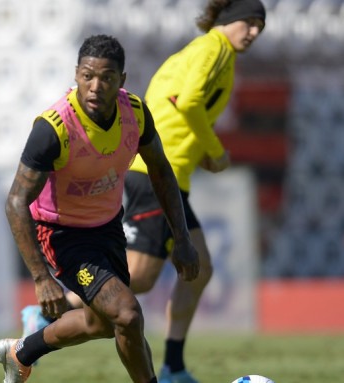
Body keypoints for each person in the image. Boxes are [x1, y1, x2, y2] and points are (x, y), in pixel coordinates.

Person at [19, 1, 266, 382]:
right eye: (248, 23)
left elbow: (167, 122)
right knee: (132, 296)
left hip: (163, 181)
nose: (252, 32)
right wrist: (214, 152)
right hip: (128, 188)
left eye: (259, 27)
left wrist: (182, 233)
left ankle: (172, 363)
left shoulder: (151, 95)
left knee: (188, 272)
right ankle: (58, 312)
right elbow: (187, 101)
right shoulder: (212, 49)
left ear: (121, 78)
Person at [0, 34, 199, 383]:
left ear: (121, 80)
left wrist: (181, 238)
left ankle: (22, 353)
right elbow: (16, 201)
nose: (95, 86)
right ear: (76, 74)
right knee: (128, 314)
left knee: (101, 323)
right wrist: (42, 279)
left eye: (106, 77)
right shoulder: (53, 128)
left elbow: (161, 170)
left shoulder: (134, 113)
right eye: (87, 75)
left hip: (107, 228)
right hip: (62, 234)